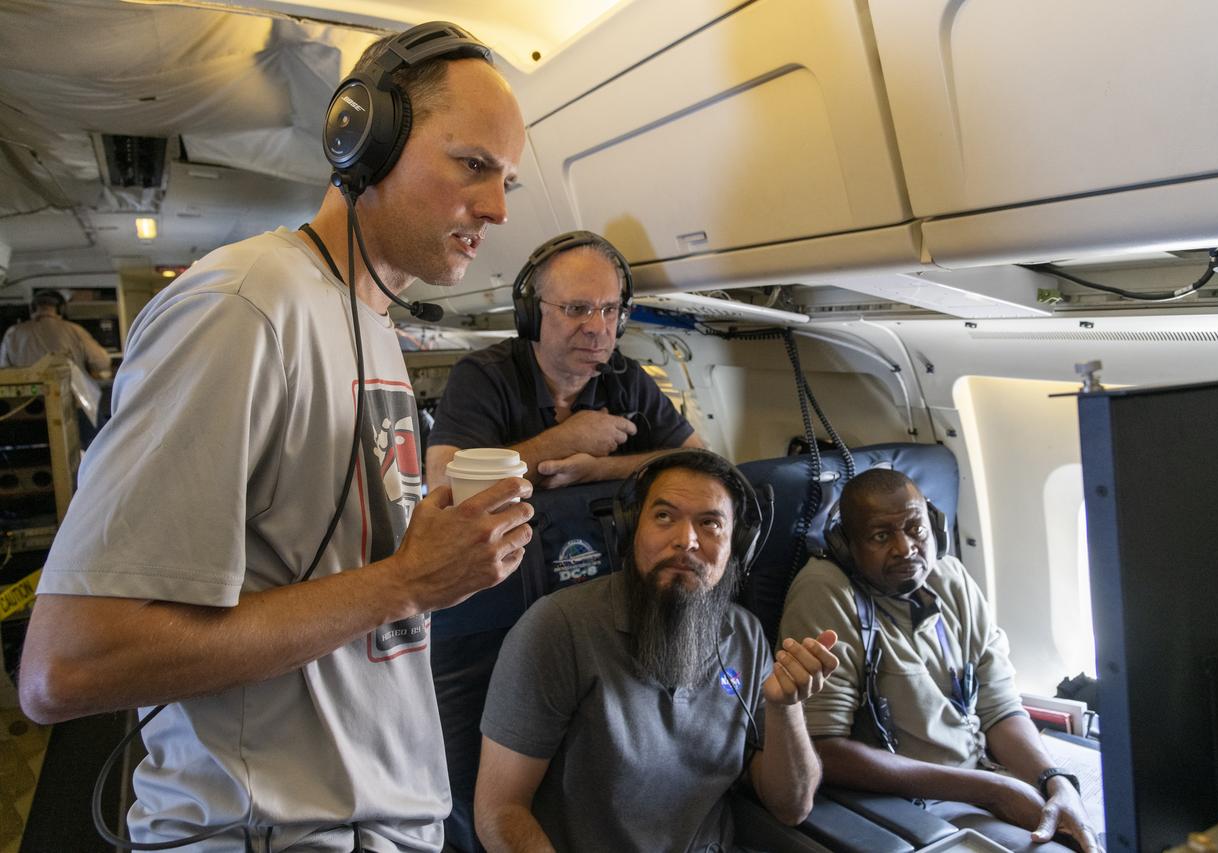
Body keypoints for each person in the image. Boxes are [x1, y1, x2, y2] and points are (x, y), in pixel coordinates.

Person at [17, 22, 533, 852]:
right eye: (472, 164)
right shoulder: (243, 307)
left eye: (506, 179)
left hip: (384, 824)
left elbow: (348, 589)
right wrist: (405, 582)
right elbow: (67, 665)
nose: (498, 208)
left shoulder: (371, 327)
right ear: (364, 139)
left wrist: (438, 566)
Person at [473, 449, 839, 852]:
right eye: (664, 516)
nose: (686, 541)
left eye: (710, 523)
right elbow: (499, 812)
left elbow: (792, 807)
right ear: (630, 531)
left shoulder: (745, 636)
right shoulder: (558, 628)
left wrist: (786, 707)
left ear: (738, 546)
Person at [777, 468, 1100, 853]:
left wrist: (1054, 781)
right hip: (915, 802)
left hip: (983, 776)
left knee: (1113, 828)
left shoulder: (951, 578)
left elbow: (999, 708)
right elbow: (824, 749)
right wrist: (993, 791)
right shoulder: (824, 592)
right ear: (845, 546)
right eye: (881, 536)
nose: (905, 548)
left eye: (916, 529)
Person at [425, 230, 702, 491]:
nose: (598, 328)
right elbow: (444, 485)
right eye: (577, 308)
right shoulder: (483, 375)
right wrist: (563, 441)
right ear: (532, 314)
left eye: (609, 309)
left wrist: (600, 470)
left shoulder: (627, 378)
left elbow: (700, 462)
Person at [0, 289, 112, 378]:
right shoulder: (75, 330)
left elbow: (4, 369)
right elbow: (102, 362)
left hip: (27, 397)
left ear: (33, 309)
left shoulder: (12, 333)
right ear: (61, 309)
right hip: (68, 396)